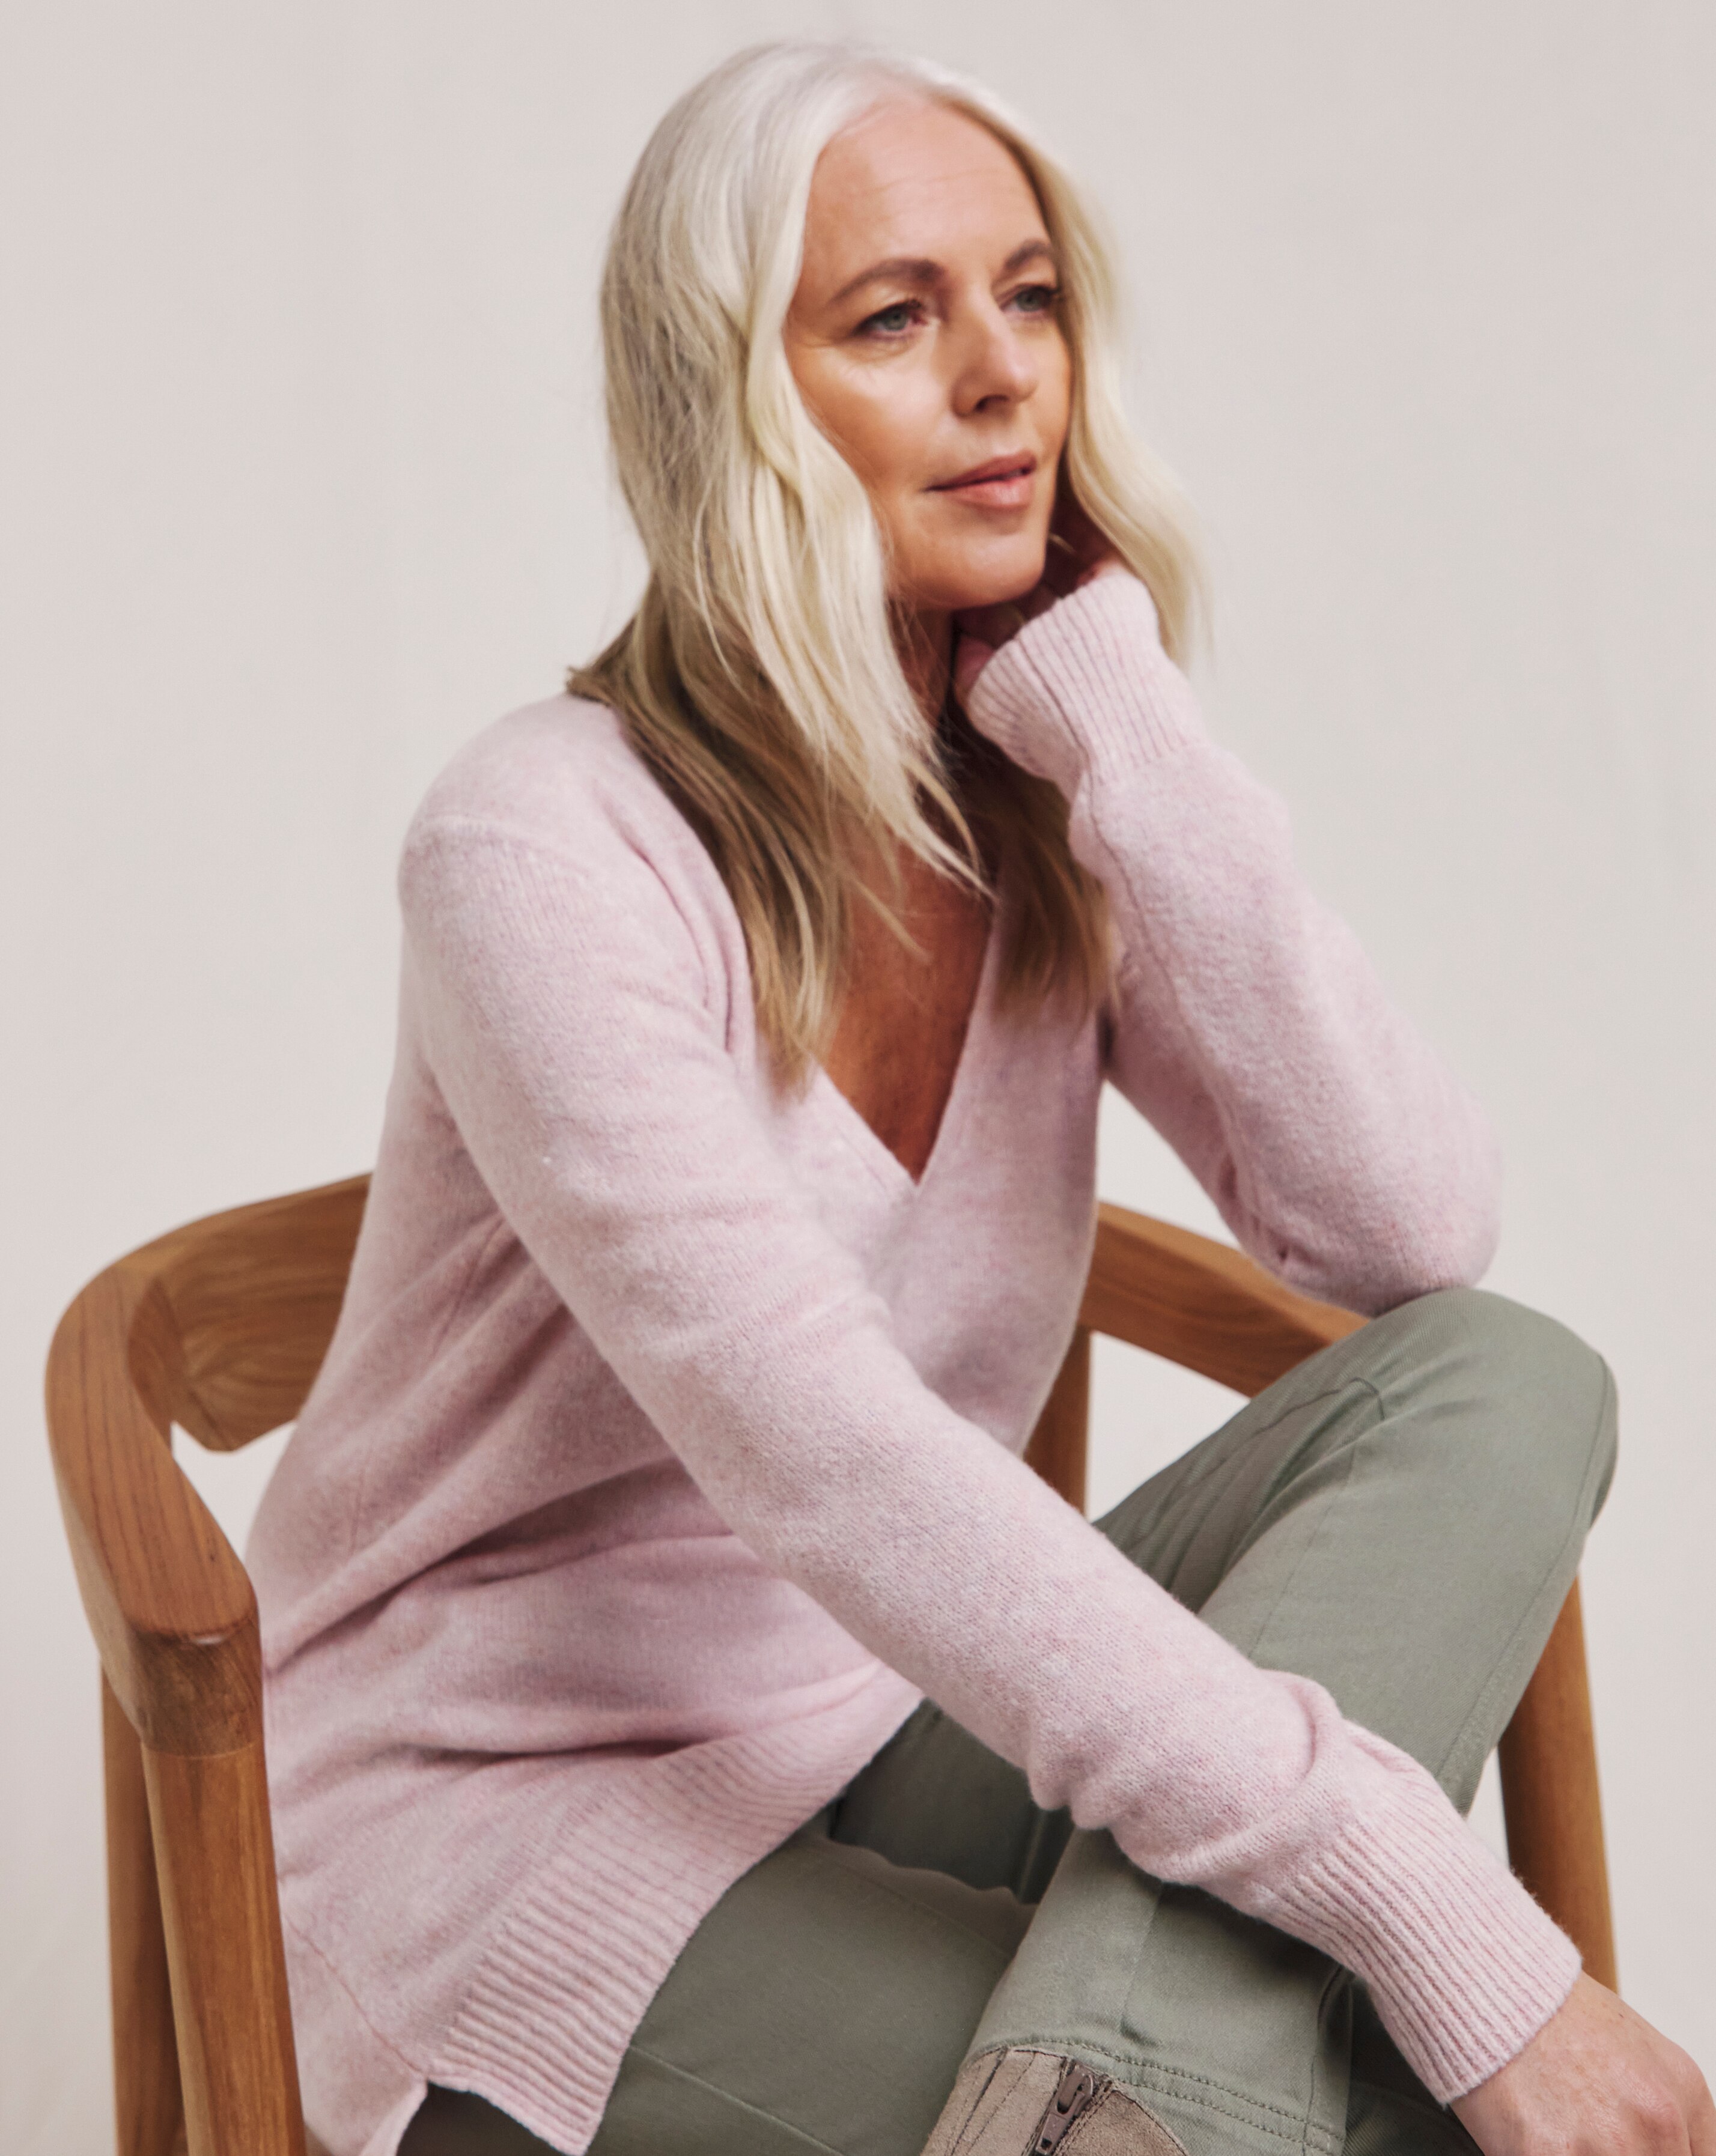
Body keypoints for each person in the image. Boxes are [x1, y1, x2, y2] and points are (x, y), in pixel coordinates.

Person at [247, 40, 1711, 2156]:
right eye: (893, 318)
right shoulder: (541, 850)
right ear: (726, 397)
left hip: (888, 1726)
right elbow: (834, 1466)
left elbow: (1404, 1231)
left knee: (1505, 1378)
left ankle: (1111, 2103)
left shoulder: (1038, 815)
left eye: (1030, 297)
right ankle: (1142, 2106)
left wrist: (1127, 727)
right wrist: (1435, 1921)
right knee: (1387, 2109)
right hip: (517, 1843)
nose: (1004, 371)